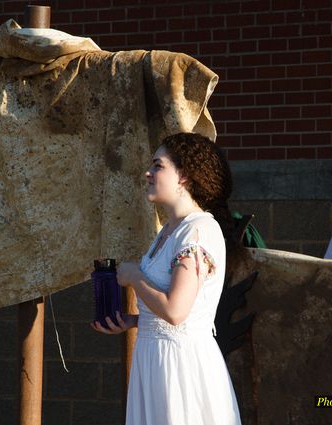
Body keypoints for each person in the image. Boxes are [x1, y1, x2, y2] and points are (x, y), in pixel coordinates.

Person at [91, 132, 242, 425]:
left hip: (180, 368)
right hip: (154, 360)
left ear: (183, 175)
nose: (148, 172)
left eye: (158, 165)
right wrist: (136, 321)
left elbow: (176, 311)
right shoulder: (168, 231)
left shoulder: (197, 231)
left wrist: (135, 276)